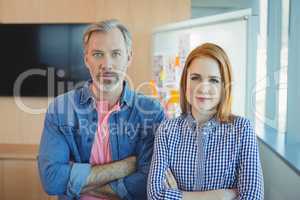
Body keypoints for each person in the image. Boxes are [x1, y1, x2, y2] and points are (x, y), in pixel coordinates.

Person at [38, 19, 165, 200]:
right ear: (86, 59)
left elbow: (149, 182)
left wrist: (78, 184)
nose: (107, 64)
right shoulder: (60, 109)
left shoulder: (151, 112)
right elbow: (52, 180)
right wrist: (123, 167)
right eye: (98, 54)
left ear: (129, 57)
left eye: (115, 53)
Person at [147, 43, 264, 200]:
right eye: (195, 78)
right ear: (185, 82)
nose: (203, 88)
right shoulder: (167, 130)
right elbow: (155, 196)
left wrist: (177, 195)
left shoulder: (242, 129)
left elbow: (252, 197)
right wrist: (221, 196)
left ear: (224, 87)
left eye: (214, 80)